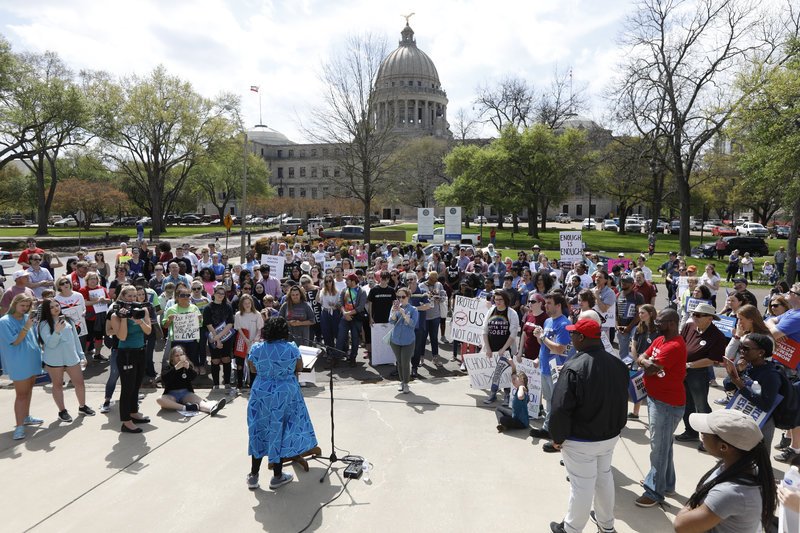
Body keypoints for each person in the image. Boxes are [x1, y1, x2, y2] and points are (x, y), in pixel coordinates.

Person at [548, 319, 629, 533]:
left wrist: (557, 437)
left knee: (582, 486)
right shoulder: (618, 364)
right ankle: (607, 526)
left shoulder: (573, 366)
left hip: (581, 440)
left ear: (582, 337)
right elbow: (623, 400)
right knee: (603, 479)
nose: (571, 338)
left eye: (573, 334)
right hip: (609, 437)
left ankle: (571, 529)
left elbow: (560, 409)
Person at [673, 410, 776, 533]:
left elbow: (681, 525)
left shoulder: (731, 492)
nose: (701, 436)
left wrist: (692, 505)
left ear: (723, 447)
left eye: (704, 434)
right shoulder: (742, 466)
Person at [246, 317, 319, 491]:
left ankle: (253, 476)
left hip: (261, 393)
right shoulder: (291, 348)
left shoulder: (256, 348)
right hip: (285, 393)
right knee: (279, 428)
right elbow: (299, 367)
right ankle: (277, 476)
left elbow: (253, 368)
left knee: (259, 430)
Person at [635, 308, 687, 507]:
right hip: (656, 400)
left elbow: (650, 370)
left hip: (667, 404)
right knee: (665, 445)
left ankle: (654, 491)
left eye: (660, 322)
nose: (656, 324)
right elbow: (642, 357)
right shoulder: (659, 340)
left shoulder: (674, 346)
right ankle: (667, 484)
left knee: (659, 448)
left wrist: (646, 363)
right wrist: (646, 361)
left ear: (672, 323)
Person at [675, 303, 729, 449]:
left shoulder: (717, 336)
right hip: (683, 371)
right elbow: (681, 343)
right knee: (686, 403)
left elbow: (712, 359)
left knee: (701, 406)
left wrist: (689, 365)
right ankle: (690, 432)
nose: (694, 317)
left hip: (698, 373)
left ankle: (709, 439)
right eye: (694, 314)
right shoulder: (689, 326)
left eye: (698, 315)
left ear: (710, 318)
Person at [38, 298, 95, 422]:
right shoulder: (44, 324)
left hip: (71, 357)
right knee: (58, 385)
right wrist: (57, 331)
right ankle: (62, 411)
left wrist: (81, 355)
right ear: (47, 310)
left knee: (79, 383)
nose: (56, 308)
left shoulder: (68, 320)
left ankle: (82, 406)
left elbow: (75, 339)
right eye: (52, 307)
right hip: (54, 360)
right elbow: (50, 344)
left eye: (57, 305)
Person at [529, 292, 571, 453]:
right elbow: (544, 345)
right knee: (548, 400)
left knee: (557, 404)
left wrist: (542, 337)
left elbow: (560, 349)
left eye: (549, 303)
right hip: (545, 367)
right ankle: (548, 428)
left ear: (558, 306)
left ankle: (557, 437)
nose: (545, 306)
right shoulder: (548, 321)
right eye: (545, 303)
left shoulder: (564, 324)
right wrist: (539, 338)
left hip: (556, 369)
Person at [0, 294, 44, 440]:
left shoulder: (27, 318)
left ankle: (26, 417)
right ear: (14, 304)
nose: (25, 308)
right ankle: (19, 427)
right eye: (22, 305)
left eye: (27, 306)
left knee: (29, 390)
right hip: (18, 362)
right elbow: (15, 341)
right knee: (21, 395)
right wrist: (26, 327)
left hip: (32, 359)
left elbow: (33, 338)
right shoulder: (4, 321)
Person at [110, 285, 152, 433]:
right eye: (129, 296)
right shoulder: (115, 315)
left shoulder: (142, 310)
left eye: (135, 296)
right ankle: (126, 421)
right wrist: (124, 319)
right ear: (122, 297)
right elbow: (122, 337)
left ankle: (134, 412)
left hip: (140, 351)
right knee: (127, 388)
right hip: (126, 354)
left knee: (136, 385)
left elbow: (148, 331)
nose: (133, 299)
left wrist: (139, 321)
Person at [157, 346, 226, 415]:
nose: (179, 357)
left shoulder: (186, 365)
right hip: (171, 394)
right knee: (159, 399)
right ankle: (186, 408)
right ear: (172, 357)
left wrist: (188, 369)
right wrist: (176, 368)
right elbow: (165, 378)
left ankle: (211, 408)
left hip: (185, 393)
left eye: (181, 355)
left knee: (200, 402)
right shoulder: (167, 367)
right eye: (176, 356)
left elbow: (193, 377)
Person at [482, 290, 520, 405]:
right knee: (494, 372)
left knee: (507, 373)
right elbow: (484, 330)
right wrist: (488, 348)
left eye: (500, 299)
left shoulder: (512, 313)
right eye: (495, 299)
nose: (497, 302)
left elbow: (513, 334)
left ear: (505, 300)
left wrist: (504, 349)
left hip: (506, 349)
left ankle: (507, 395)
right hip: (492, 349)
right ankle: (493, 394)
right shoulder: (491, 311)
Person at [629, 304, 658, 419]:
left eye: (642, 313)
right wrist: (637, 360)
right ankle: (635, 413)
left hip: (651, 362)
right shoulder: (638, 328)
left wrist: (647, 362)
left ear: (650, 314)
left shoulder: (657, 330)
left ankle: (653, 417)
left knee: (651, 390)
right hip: (639, 362)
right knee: (639, 388)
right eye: (639, 313)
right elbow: (633, 345)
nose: (640, 315)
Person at [203, 285, 236, 390]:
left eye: (223, 293)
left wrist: (220, 337)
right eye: (218, 293)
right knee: (215, 360)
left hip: (227, 337)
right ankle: (216, 384)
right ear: (214, 293)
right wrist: (217, 339)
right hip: (213, 337)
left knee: (226, 359)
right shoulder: (208, 307)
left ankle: (227, 383)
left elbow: (230, 323)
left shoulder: (228, 306)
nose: (220, 295)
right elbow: (208, 324)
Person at [388, 287, 419, 394]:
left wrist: (403, 313)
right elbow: (391, 321)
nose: (400, 299)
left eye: (403, 297)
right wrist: (393, 312)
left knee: (405, 362)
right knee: (399, 362)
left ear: (408, 297)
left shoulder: (413, 309)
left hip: (408, 340)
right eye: (398, 297)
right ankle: (402, 381)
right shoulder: (394, 307)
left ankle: (406, 383)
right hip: (395, 340)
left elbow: (413, 324)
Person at [234, 294, 264, 389]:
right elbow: (238, 328)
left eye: (249, 303)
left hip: (254, 341)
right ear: (241, 304)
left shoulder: (257, 314)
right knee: (240, 364)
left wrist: (255, 339)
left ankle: (252, 384)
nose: (247, 305)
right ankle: (239, 383)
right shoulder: (238, 315)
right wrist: (245, 339)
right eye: (245, 303)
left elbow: (259, 328)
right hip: (242, 341)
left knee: (252, 364)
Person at [335, 273, 366, 366]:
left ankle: (353, 358)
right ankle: (337, 358)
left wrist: (348, 313)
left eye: (348, 280)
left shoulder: (362, 291)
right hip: (345, 317)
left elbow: (361, 307)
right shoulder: (344, 290)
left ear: (353, 281)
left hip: (356, 318)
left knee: (355, 339)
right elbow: (340, 303)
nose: (346, 282)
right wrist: (345, 313)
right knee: (340, 338)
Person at [496, 359, 529, 433]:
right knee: (498, 408)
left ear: (521, 380)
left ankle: (504, 424)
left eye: (514, 379)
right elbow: (514, 373)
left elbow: (520, 396)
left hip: (521, 422)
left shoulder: (523, 390)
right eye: (512, 379)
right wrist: (512, 365)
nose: (512, 381)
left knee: (503, 419)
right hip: (515, 415)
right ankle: (503, 425)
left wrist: (521, 387)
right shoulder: (519, 386)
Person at [615, 275, 644, 361]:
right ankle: (625, 365)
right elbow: (615, 313)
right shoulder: (617, 295)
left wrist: (629, 327)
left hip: (635, 326)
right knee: (623, 351)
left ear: (632, 284)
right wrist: (617, 326)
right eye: (622, 281)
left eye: (625, 282)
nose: (623, 283)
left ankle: (637, 364)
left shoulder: (637, 296)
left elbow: (639, 314)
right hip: (622, 327)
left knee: (636, 347)